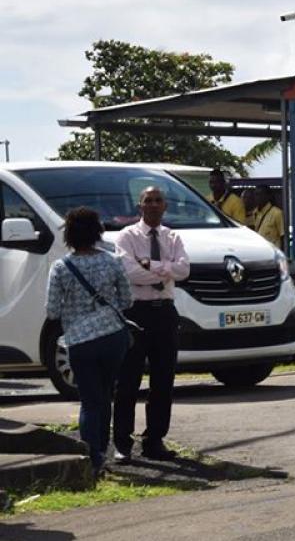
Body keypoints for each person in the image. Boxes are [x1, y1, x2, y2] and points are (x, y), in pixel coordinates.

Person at [44, 207, 132, 478]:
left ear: (69, 234)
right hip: (113, 338)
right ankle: (103, 453)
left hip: (80, 342)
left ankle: (91, 458)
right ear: (97, 232)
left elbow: (52, 312)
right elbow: (127, 300)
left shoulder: (61, 267)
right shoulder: (112, 261)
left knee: (89, 401)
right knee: (106, 396)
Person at [112, 186, 190, 461]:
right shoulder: (127, 236)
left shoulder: (173, 236)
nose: (154, 205)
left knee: (163, 380)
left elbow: (184, 269)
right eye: (148, 201)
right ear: (140, 206)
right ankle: (122, 442)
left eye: (158, 201)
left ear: (165, 206)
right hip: (136, 312)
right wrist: (163, 271)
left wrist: (151, 266)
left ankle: (154, 439)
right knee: (128, 380)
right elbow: (128, 272)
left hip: (165, 313)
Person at [250, 185, 284, 250]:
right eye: (256, 194)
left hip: (273, 253)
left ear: (267, 196)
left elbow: (283, 236)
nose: (257, 197)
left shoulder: (277, 213)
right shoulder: (254, 213)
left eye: (260, 194)